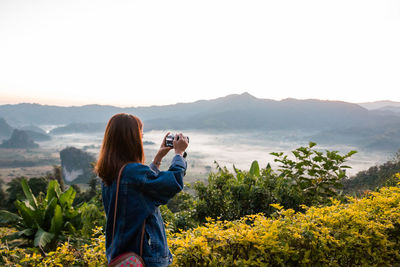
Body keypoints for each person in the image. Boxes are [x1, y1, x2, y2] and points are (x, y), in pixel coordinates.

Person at [95, 113, 189, 267]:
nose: (142, 137)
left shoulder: (109, 173)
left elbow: (141, 186)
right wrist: (179, 154)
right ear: (131, 140)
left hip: (122, 255)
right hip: (145, 257)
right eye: (140, 133)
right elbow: (171, 184)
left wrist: (158, 158)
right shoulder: (133, 172)